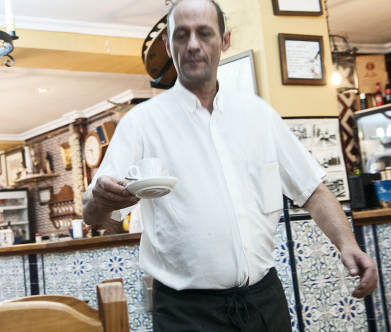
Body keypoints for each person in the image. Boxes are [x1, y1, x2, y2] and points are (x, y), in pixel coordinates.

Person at [82, 0, 378, 330]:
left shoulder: (259, 115)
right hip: (186, 314)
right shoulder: (141, 123)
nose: (193, 44)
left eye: (204, 33)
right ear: (168, 45)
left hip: (264, 303)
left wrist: (349, 245)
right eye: (182, 35)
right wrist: (99, 201)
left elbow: (313, 191)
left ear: (225, 41)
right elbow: (94, 216)